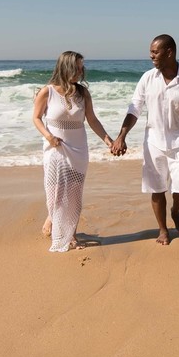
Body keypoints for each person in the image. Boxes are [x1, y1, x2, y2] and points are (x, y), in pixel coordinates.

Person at [111, 34, 179, 245]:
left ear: (169, 52)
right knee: (156, 188)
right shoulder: (147, 78)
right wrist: (121, 136)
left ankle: (175, 210)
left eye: (155, 52)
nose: (151, 56)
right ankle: (163, 229)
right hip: (153, 141)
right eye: (151, 52)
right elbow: (134, 109)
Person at [33, 51, 116, 252]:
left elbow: (92, 120)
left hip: (79, 149)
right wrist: (49, 137)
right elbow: (36, 118)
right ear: (65, 68)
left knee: (73, 193)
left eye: (81, 68)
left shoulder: (83, 93)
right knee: (55, 191)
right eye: (76, 68)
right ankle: (55, 221)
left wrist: (108, 140)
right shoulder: (47, 92)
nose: (80, 72)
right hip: (56, 148)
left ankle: (71, 234)